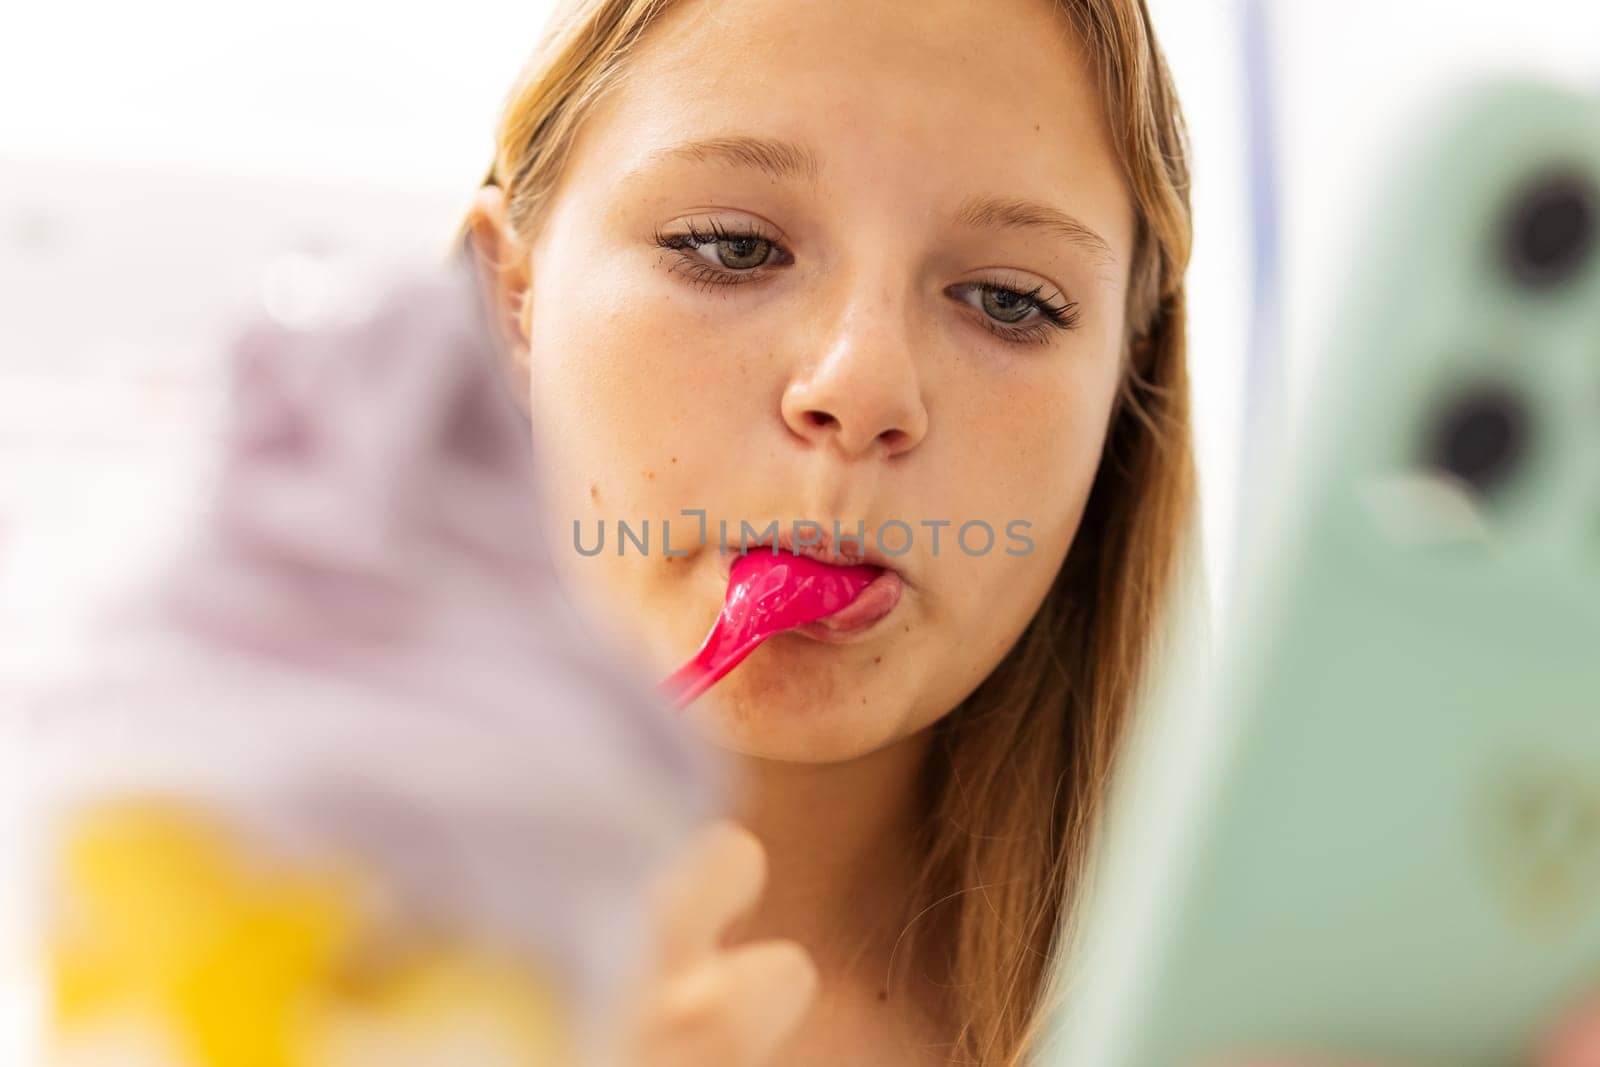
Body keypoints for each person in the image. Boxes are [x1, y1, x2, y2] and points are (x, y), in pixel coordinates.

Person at [459, 1, 1600, 1064]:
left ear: (1123, 386)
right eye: (730, 245)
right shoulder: (299, 923)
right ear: (506, 297)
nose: (860, 388)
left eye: (1008, 299)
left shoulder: (1285, 1019)